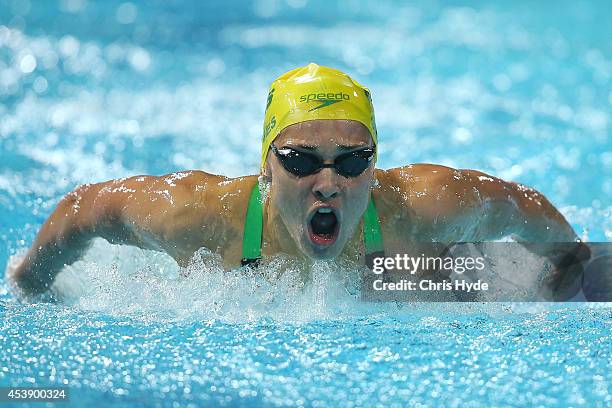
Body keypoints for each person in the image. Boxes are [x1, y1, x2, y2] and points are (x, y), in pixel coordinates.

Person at [8, 63, 589, 300]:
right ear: (266, 165)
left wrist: (568, 264)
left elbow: (520, 205)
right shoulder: (199, 219)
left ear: (375, 163)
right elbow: (91, 207)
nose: (329, 182)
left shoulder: (424, 207)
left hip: (408, 272)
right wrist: (32, 276)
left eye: (353, 162)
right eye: (302, 161)